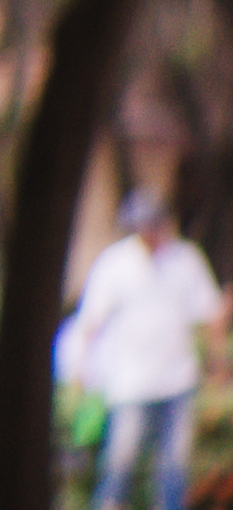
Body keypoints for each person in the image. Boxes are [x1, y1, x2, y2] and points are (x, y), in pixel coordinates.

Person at [72, 187, 226, 510]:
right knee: (120, 461)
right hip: (129, 381)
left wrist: (216, 363)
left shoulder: (185, 259)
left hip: (177, 380)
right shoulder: (115, 264)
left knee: (174, 466)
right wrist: (82, 369)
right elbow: (92, 322)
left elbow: (208, 314)